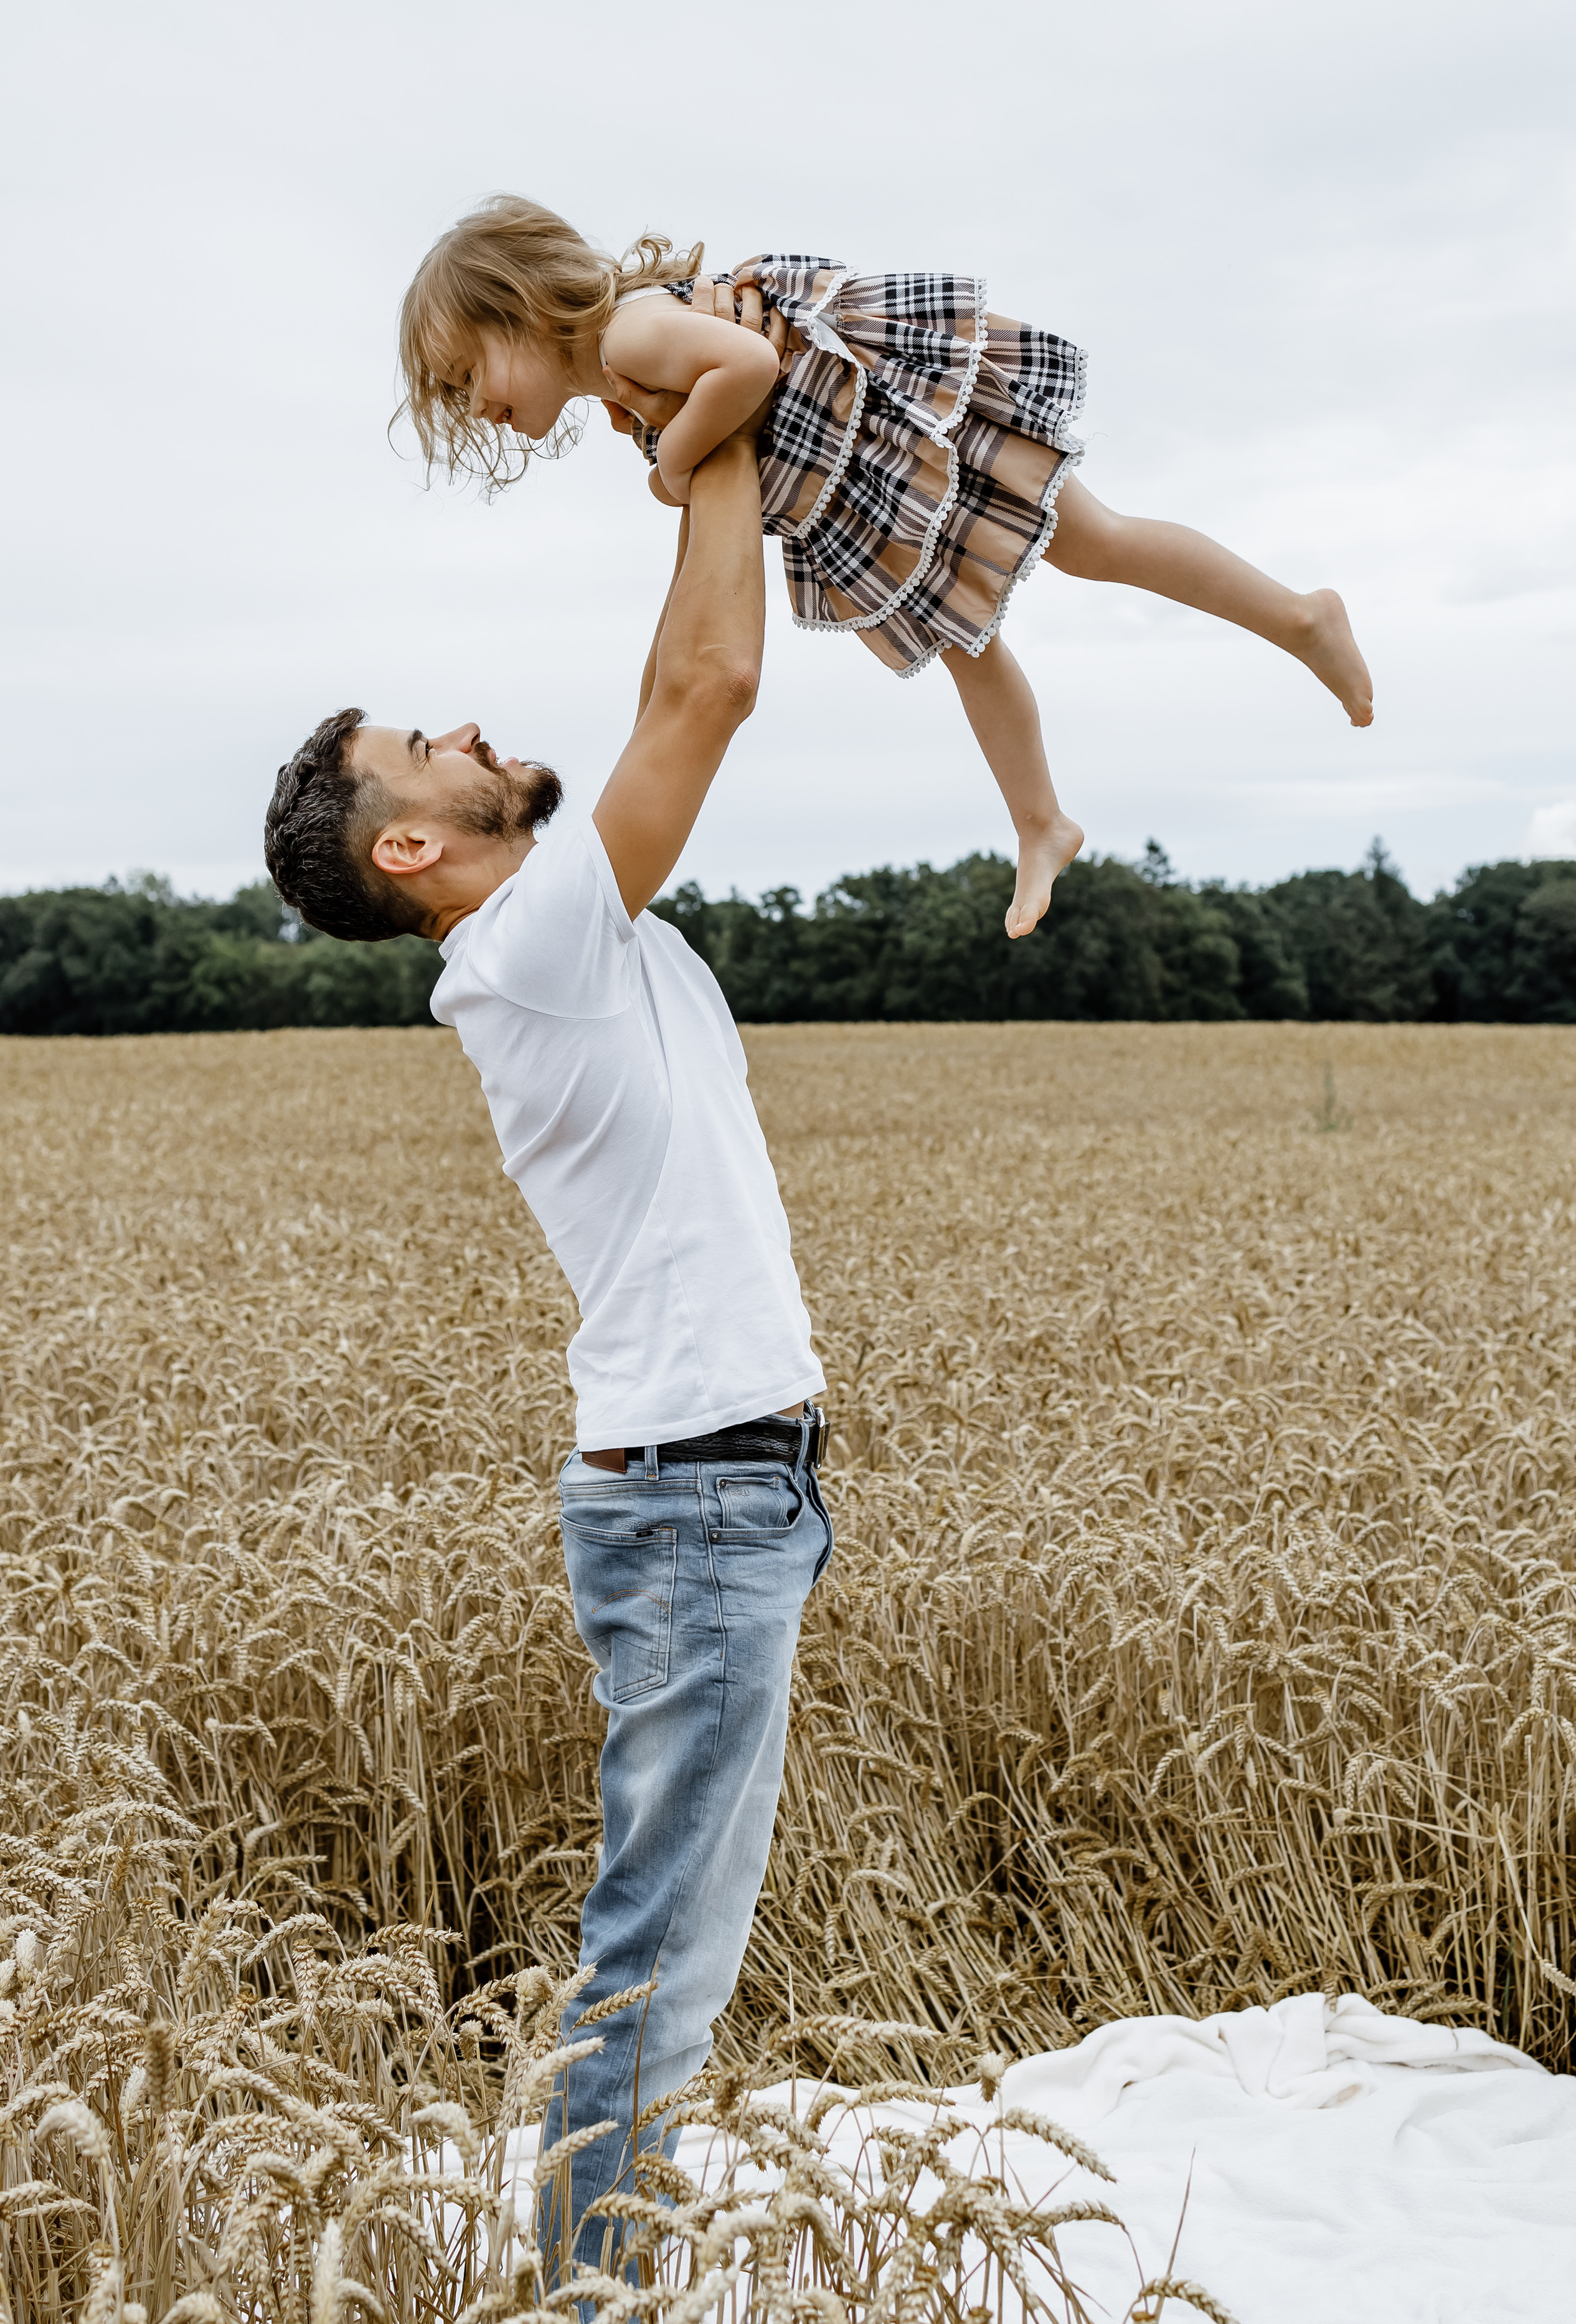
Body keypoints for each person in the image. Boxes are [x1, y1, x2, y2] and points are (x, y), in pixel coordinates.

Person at [262, 341, 829, 2298]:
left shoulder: (551, 935)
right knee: (660, 1964)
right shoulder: (532, 945)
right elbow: (711, 687)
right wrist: (725, 422)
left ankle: (599, 2269)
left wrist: (691, 461)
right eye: (428, 749)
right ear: (413, 849)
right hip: (695, 1504)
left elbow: (684, 665)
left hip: (716, 1492)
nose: (475, 729)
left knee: (667, 1951)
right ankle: (593, 2292)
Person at [395, 195, 1375, 940]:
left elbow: (749, 367)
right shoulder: (616, 376)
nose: (472, 405)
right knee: (968, 641)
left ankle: (1299, 618)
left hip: (890, 430)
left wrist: (679, 462)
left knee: (1095, 543)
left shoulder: (628, 332)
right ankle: (1041, 824)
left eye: (464, 374)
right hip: (858, 475)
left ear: (518, 308)